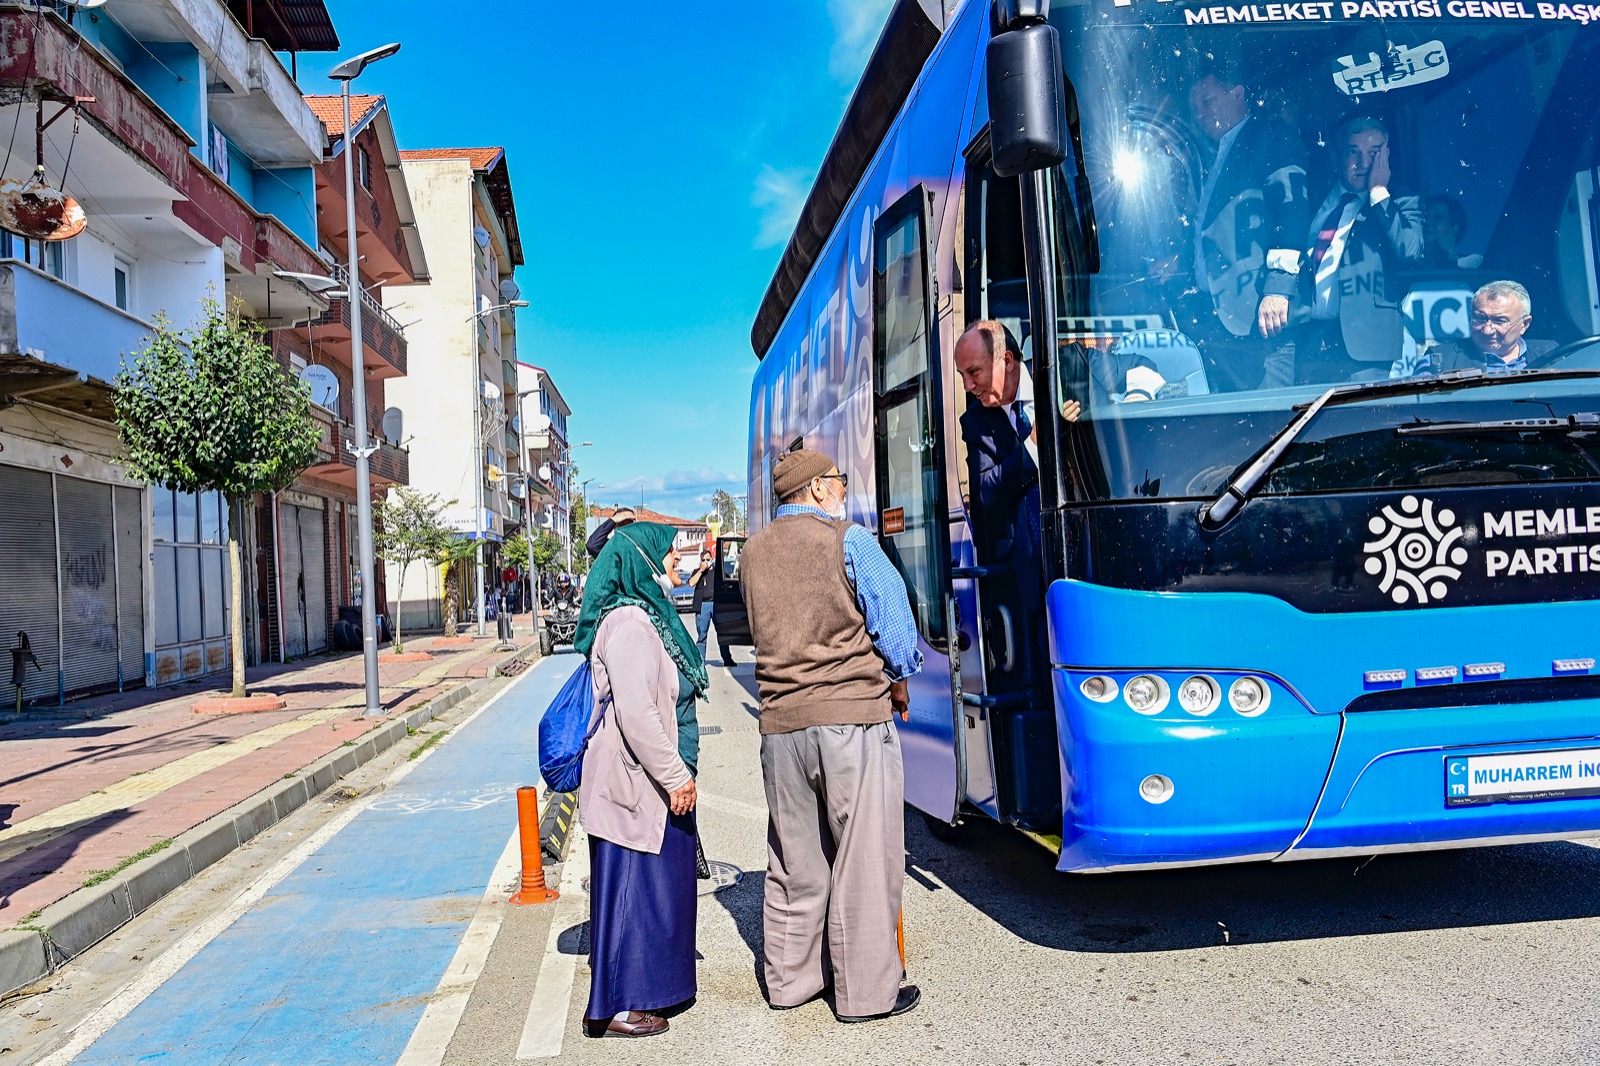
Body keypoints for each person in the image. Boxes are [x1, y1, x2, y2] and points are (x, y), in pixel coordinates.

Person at [738, 448, 923, 1024]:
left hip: (780, 728)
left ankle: (792, 983)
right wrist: (899, 674)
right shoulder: (850, 540)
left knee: (796, 861)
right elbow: (894, 624)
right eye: (838, 480)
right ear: (818, 489)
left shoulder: (752, 553)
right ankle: (868, 994)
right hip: (852, 720)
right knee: (865, 856)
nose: (843, 489)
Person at [573, 521, 709, 1038]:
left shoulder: (643, 616)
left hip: (641, 781)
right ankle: (619, 1006)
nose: (678, 564)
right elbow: (636, 713)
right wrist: (676, 776)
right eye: (669, 557)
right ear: (642, 563)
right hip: (636, 783)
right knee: (631, 891)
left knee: (649, 890)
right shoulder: (630, 623)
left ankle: (646, 989)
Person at [1183, 59, 1309, 391]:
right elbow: (1216, 230)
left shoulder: (1271, 137)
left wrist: (1278, 289)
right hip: (1222, 320)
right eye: (1195, 108)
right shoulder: (1217, 153)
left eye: (1207, 101)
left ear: (1237, 94)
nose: (1200, 113)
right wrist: (1182, 263)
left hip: (1263, 316)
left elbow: (1292, 211)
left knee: (1274, 423)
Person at [1295, 116, 1426, 383]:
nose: (1364, 163)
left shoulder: (1402, 201)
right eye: (1353, 152)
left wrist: (1378, 191)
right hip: (1305, 337)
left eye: (1374, 153)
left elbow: (1411, 251)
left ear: (1386, 156)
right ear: (1335, 157)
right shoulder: (1311, 198)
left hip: (1365, 343)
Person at [1425, 281, 1554, 373]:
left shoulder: (1552, 356)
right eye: (1480, 319)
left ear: (1524, 324)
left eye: (1500, 321)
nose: (1487, 330)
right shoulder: (1439, 359)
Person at [1422, 194, 1482, 270]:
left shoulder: (1470, 264)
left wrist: (1449, 256)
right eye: (1425, 216)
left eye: (1439, 217)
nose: (1428, 222)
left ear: (1454, 227)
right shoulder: (1406, 260)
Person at [688, 552, 716, 659]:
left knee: (722, 633)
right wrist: (701, 570)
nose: (706, 562)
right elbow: (691, 583)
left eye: (708, 560)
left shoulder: (716, 571)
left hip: (716, 604)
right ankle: (701, 660)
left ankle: (727, 658)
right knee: (702, 634)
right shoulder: (697, 572)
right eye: (704, 560)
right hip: (703, 605)